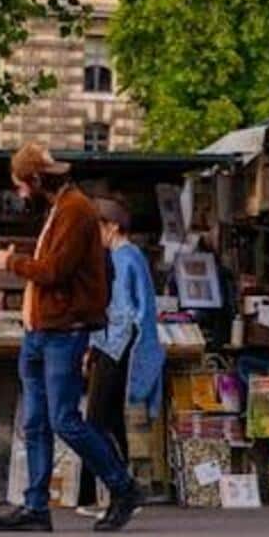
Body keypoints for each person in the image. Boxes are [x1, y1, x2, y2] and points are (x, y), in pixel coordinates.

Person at [0, 144, 143, 533]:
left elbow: (55, 270)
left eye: (22, 185)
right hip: (40, 332)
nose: (20, 194)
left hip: (62, 333)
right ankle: (36, 506)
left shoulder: (75, 210)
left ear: (37, 181)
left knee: (64, 420)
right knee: (36, 422)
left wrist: (11, 263)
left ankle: (123, 488)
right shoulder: (61, 209)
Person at [79, 195, 164, 516]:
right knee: (112, 421)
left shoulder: (122, 258)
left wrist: (98, 342)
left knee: (96, 421)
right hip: (123, 344)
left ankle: (119, 492)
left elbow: (122, 311)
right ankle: (114, 492)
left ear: (112, 226)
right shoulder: (134, 256)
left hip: (115, 345)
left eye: (97, 227)